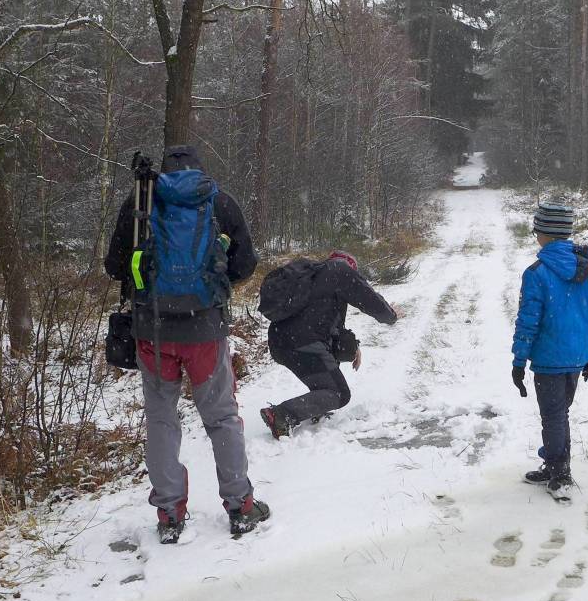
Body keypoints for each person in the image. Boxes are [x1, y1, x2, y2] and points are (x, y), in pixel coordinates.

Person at [105, 145, 270, 544]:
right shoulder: (218, 201)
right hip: (205, 331)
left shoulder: (142, 201)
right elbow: (246, 264)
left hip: (152, 332)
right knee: (221, 417)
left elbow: (113, 266)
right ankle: (240, 505)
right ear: (199, 171)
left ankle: (168, 513)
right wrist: (213, 283)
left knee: (161, 420)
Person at [511, 201, 588, 499]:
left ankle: (560, 474)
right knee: (559, 413)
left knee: (552, 415)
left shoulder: (536, 273)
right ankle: (553, 464)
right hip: (577, 356)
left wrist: (518, 360)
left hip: (550, 358)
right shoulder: (584, 267)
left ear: (544, 233)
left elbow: (528, 321)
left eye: (537, 228)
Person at [260, 251, 397, 438]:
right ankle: (282, 415)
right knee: (339, 393)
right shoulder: (340, 270)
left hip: (280, 343)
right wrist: (392, 315)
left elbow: (334, 331)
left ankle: (315, 409)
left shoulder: (310, 279)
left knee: (328, 374)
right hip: (304, 341)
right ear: (351, 266)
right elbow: (371, 301)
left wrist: (354, 346)